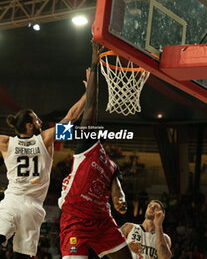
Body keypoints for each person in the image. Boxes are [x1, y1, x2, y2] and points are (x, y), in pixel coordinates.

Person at [0, 75, 87, 259]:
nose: (40, 122)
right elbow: (71, 117)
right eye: (37, 120)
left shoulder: (5, 143)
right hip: (32, 208)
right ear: (29, 125)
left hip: (12, 201)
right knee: (22, 256)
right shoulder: (46, 139)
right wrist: (88, 94)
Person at [58, 40, 133, 259]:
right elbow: (91, 105)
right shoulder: (87, 144)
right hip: (76, 218)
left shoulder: (110, 164)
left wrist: (121, 198)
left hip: (102, 219)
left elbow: (116, 183)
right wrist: (94, 64)